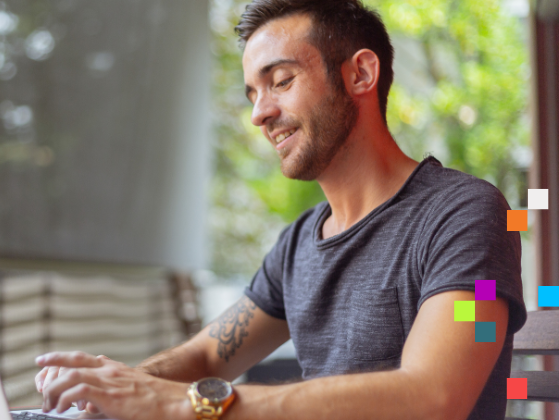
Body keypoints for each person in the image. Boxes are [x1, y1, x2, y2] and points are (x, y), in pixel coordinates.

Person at [34, 1, 527, 419]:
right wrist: (120, 387)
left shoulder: (468, 214)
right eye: (253, 93)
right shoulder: (299, 243)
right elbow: (209, 353)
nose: (259, 114)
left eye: (281, 81)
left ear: (360, 74)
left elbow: (434, 396)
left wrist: (190, 405)